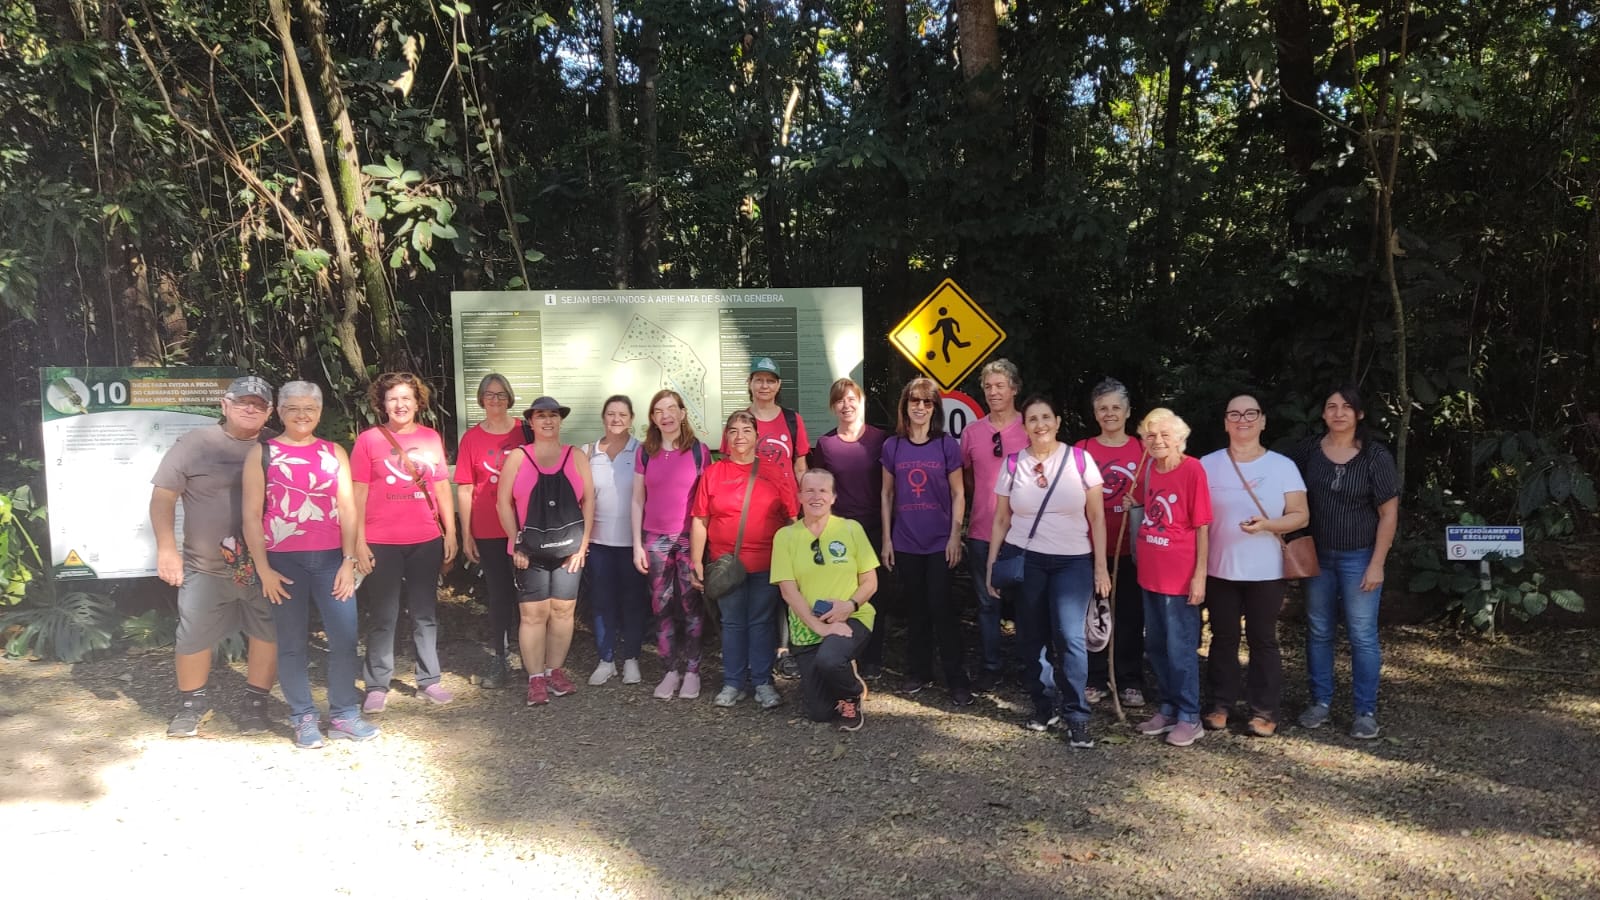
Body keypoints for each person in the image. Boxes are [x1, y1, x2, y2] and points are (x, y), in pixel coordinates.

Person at [242, 380, 377, 748]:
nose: (302, 415)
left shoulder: (334, 452)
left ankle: (344, 714)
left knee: (345, 638)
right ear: (280, 412)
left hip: (332, 560)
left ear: (319, 412)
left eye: (310, 409)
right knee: (290, 643)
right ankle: (303, 717)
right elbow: (251, 516)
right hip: (283, 563)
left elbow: (347, 508)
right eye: (293, 408)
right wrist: (263, 569)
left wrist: (348, 561)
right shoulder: (262, 454)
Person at [150, 375, 280, 737]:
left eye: (258, 404)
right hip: (205, 565)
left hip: (266, 567)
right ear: (224, 405)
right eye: (242, 402)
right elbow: (163, 497)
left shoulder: (277, 446)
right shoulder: (196, 443)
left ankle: (256, 704)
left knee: (268, 632)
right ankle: (191, 706)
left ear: (270, 411)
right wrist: (166, 548)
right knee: (193, 635)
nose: (250, 409)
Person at [986, 396, 1110, 749]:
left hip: (1073, 560)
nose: (1040, 424)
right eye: (1032, 419)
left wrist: (1101, 567)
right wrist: (992, 564)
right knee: (1031, 637)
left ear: (1057, 422)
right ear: (1024, 426)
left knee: (1070, 637)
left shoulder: (1080, 460)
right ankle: (1043, 707)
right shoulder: (1013, 464)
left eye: (1046, 417)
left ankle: (1077, 716)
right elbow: (1001, 519)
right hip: (1027, 559)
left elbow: (1097, 517)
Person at [1288, 384, 1400, 739]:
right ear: (1323, 414)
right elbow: (1288, 495)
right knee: (1319, 630)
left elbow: (1388, 513)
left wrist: (1377, 563)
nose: (1338, 413)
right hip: (1317, 556)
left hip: (1360, 556)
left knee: (1362, 635)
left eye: (1346, 407)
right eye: (1331, 406)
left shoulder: (1375, 456)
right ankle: (1320, 702)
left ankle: (1365, 711)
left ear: (1359, 414)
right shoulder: (1308, 451)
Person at [1199, 393, 1309, 738]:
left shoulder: (1282, 466)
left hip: (1267, 571)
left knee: (1263, 640)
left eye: (1250, 414)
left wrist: (1267, 525)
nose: (1242, 420)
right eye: (1234, 414)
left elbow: (1301, 515)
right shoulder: (1206, 464)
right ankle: (1220, 705)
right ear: (1225, 422)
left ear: (1263, 421)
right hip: (1219, 568)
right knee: (1223, 638)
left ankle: (1264, 711)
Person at [352, 372, 458, 712]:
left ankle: (429, 680)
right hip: (380, 540)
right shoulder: (368, 440)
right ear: (382, 404)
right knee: (384, 615)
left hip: (425, 538)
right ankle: (377, 684)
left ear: (417, 402)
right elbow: (357, 493)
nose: (400, 405)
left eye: (406, 398)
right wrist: (357, 541)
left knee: (425, 613)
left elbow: (441, 487)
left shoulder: (430, 437)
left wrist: (451, 532)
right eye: (393, 399)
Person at [692, 410, 798, 710]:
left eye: (746, 430)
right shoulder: (714, 473)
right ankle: (733, 682)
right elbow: (700, 519)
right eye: (733, 431)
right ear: (726, 437)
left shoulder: (774, 472)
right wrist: (696, 561)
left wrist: (793, 562)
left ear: (757, 436)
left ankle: (763, 682)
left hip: (767, 563)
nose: (740, 436)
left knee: (762, 622)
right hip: (727, 566)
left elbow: (791, 519)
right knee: (733, 623)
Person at [497, 396, 596, 706]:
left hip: (569, 549)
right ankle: (535, 677)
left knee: (563, 611)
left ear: (560, 420)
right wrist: (516, 542)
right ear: (531, 421)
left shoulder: (575, 456)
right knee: (533, 614)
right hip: (529, 550)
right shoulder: (518, 457)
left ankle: (555, 671)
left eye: (553, 415)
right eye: (541, 416)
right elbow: (503, 503)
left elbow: (589, 500)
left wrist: (583, 544)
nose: (548, 421)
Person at [881, 377, 971, 705]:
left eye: (927, 402)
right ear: (905, 405)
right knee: (915, 608)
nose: (920, 407)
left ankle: (956, 679)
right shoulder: (893, 446)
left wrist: (955, 536)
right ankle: (918, 671)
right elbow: (886, 494)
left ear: (935, 408)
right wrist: (887, 539)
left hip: (939, 542)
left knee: (942, 607)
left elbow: (959, 493)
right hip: (906, 541)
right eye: (914, 401)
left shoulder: (946, 445)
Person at [722, 356, 810, 679]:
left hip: (786, 515)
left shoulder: (791, 420)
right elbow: (731, 465)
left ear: (778, 385)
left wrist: (804, 511)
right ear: (750, 383)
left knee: (788, 583)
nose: (764, 386)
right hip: (751, 518)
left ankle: (785, 649)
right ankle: (753, 652)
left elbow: (800, 468)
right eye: (758, 379)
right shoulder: (741, 422)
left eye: (770, 380)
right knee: (756, 585)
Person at [770, 469, 879, 731]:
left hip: (852, 617)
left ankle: (850, 694)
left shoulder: (851, 529)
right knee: (819, 712)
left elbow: (870, 582)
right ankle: (842, 671)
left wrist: (848, 606)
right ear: (799, 496)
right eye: (809, 490)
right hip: (808, 626)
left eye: (823, 491)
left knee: (830, 659)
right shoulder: (785, 536)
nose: (816, 496)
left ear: (833, 497)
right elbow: (788, 591)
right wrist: (820, 627)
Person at [1132, 408, 1212, 748]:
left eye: (1165, 435)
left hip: (1179, 578)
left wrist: (1199, 576)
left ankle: (1190, 716)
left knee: (1180, 648)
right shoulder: (1150, 468)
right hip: (1150, 573)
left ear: (1180, 438)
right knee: (1155, 645)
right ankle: (1167, 708)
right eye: (1151, 435)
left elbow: (1202, 526)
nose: (1158, 441)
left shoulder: (1193, 469)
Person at [807, 377, 890, 677]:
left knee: (875, 594)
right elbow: (820, 490)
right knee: (843, 592)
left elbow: (889, 488)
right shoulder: (826, 444)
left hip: (875, 528)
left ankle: (873, 659)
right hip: (839, 532)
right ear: (833, 407)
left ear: (861, 402)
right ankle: (846, 653)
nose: (846, 405)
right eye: (840, 400)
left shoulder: (880, 439)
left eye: (852, 398)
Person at [634, 390, 711, 700]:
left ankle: (692, 671)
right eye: (658, 411)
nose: (665, 415)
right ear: (653, 418)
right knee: (661, 605)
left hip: (688, 538)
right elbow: (637, 500)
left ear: (682, 413)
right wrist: (636, 544)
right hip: (654, 539)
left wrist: (702, 550)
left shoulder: (699, 451)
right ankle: (669, 671)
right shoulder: (645, 452)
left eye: (670, 409)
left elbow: (705, 502)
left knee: (691, 605)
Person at [1077, 378, 1148, 708]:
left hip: (1130, 549)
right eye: (1103, 408)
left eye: (1116, 407)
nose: (1109, 414)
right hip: (1089, 548)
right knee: (1093, 615)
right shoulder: (1083, 450)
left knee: (1130, 616)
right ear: (1094, 413)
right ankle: (1095, 677)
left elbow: (1158, 494)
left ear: (1128, 411)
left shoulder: (1143, 450)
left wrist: (1140, 502)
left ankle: (1129, 678)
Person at [960, 359, 1029, 691]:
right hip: (982, 531)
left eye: (1000, 385)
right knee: (988, 604)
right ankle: (991, 667)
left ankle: (1030, 667)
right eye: (988, 387)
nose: (993, 392)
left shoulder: (1031, 427)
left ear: (1014, 388)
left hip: (1025, 534)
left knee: (1027, 604)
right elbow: (966, 478)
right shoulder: (972, 432)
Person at [453, 373, 524, 690]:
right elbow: (466, 488)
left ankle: (533, 660)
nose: (495, 400)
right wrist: (466, 533)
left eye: (501, 395)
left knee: (529, 594)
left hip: (523, 526)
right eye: (489, 395)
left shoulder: (525, 431)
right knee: (498, 594)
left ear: (509, 398)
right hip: (487, 527)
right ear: (481, 400)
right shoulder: (471, 438)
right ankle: (500, 657)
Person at [581, 395, 647, 686]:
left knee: (634, 602)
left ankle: (632, 658)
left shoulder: (642, 452)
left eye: (622, 414)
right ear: (603, 417)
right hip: (598, 543)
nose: (616, 419)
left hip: (633, 543)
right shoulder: (587, 452)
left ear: (631, 419)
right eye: (611, 414)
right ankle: (606, 660)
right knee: (602, 602)